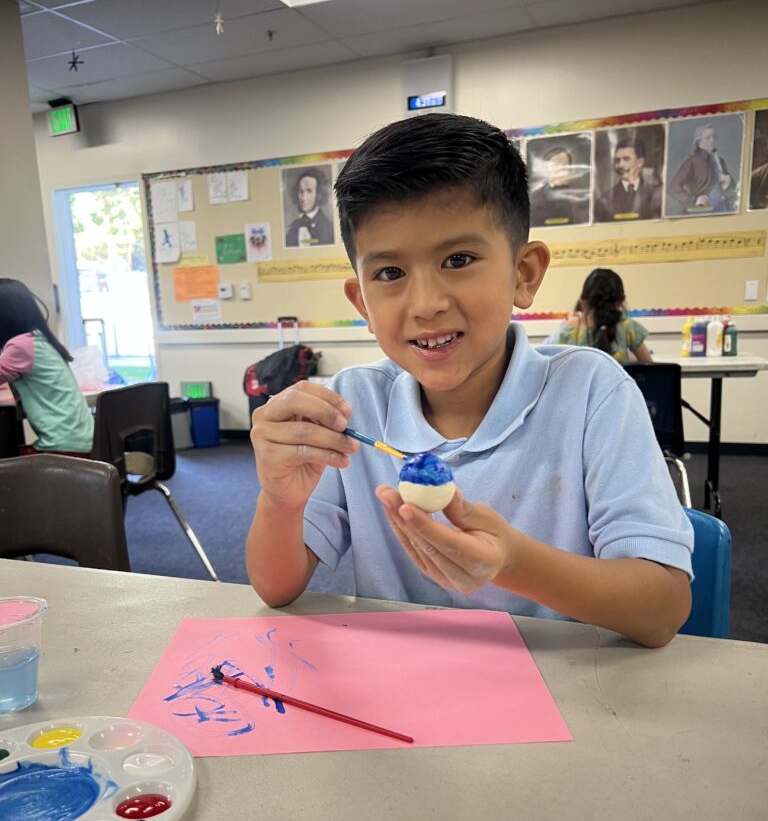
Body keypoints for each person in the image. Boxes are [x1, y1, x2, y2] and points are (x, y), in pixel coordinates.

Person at [247, 114, 692, 648]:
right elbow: (276, 588)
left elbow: (662, 608)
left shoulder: (591, 393)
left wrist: (513, 562)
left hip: (566, 686)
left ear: (524, 274)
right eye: (390, 273)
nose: (426, 304)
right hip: (399, 685)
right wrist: (279, 501)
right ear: (362, 301)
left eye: (458, 259)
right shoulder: (349, 408)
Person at [0, 278, 93, 453]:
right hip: (85, 442)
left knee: (8, 460)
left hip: (64, 448)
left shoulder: (20, 346)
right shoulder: (40, 339)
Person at [555, 268, 653, 364]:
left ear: (583, 302)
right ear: (620, 302)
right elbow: (650, 368)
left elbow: (551, 365)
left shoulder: (571, 329)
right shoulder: (627, 327)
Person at [668, 123, 735, 214]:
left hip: (722, 208)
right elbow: (673, 187)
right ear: (699, 141)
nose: (712, 140)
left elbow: (732, 188)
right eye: (708, 138)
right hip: (702, 210)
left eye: (713, 137)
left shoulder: (719, 160)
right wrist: (694, 200)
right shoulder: (693, 161)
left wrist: (728, 180)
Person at [594, 137, 662, 221]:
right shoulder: (603, 202)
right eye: (617, 160)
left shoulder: (657, 196)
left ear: (640, 162)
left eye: (626, 159)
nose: (620, 165)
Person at [529, 146, 587, 227]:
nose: (560, 171)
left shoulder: (581, 196)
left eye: (564, 166)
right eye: (555, 166)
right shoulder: (535, 199)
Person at [284, 168, 335, 247]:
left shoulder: (330, 229)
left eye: (309, 191)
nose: (303, 198)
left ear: (319, 194)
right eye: (301, 191)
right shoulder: (292, 230)